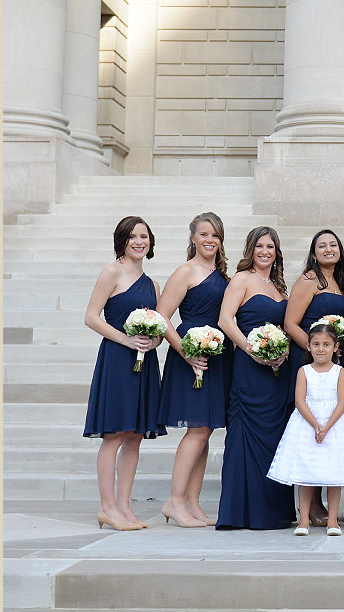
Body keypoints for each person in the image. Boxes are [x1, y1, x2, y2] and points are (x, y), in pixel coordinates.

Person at [83, 216, 166, 531]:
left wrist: (152, 340)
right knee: (114, 435)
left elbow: (159, 328)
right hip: (117, 359)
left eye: (144, 236)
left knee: (134, 437)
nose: (139, 241)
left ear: (150, 241)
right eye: (132, 236)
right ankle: (107, 507)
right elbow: (91, 317)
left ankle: (124, 506)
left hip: (144, 363)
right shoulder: (111, 272)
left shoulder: (153, 284)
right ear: (122, 240)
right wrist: (126, 339)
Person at [216, 227, 295, 530]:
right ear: (250, 249)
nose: (265, 251)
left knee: (275, 439)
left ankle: (274, 512)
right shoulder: (242, 279)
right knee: (247, 437)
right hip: (250, 370)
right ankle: (241, 512)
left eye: (271, 246)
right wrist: (252, 351)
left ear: (277, 252)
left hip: (278, 372)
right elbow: (225, 320)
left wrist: (283, 349)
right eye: (260, 246)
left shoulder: (278, 285)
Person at [156, 212, 231, 528]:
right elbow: (161, 318)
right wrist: (187, 352)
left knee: (206, 429)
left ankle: (192, 503)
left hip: (217, 356)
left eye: (214, 235)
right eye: (203, 234)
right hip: (192, 357)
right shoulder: (185, 271)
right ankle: (174, 501)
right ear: (193, 238)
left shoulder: (223, 273)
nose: (209, 240)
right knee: (198, 429)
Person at [284, 229, 344, 528]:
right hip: (311, 364)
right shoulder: (310, 280)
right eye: (321, 246)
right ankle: (310, 507)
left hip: (335, 364)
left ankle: (322, 504)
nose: (328, 249)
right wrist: (317, 353)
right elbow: (290, 322)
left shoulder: (341, 283)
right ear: (313, 253)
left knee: (330, 437)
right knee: (312, 437)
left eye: (333, 245)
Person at [267, 322, 344, 536]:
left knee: (334, 474)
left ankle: (332, 522)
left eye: (326, 344)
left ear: (336, 347)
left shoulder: (340, 372)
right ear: (308, 347)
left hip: (335, 426)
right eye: (316, 344)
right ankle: (303, 521)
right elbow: (300, 401)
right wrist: (316, 425)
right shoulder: (304, 371)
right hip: (307, 424)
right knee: (305, 472)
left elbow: (343, 401)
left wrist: (327, 426)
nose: (321, 349)